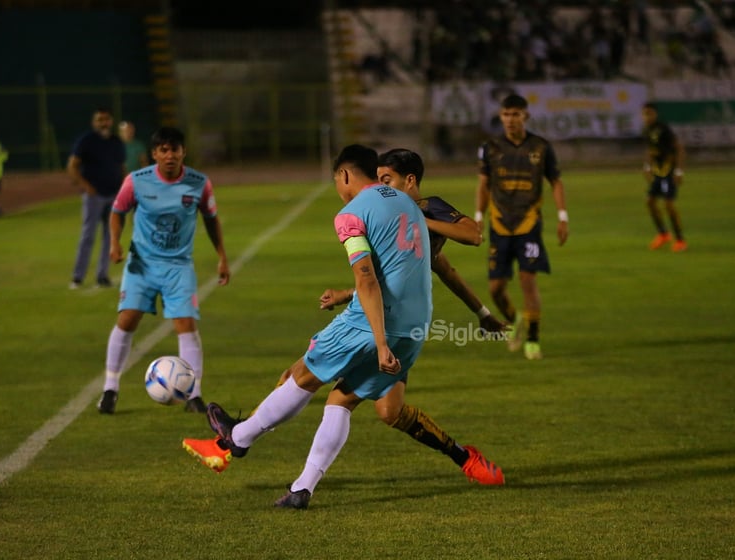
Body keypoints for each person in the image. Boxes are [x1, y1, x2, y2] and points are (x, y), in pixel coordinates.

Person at [183, 144, 503, 510]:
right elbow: (422, 269)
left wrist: (380, 341)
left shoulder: (350, 215)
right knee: (342, 399)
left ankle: (237, 439)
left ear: (345, 176)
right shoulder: (413, 208)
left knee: (303, 373)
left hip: (371, 321)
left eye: (337, 180)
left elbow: (367, 277)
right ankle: (302, 488)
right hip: (416, 326)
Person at [298, 148, 507, 486]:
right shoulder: (386, 211)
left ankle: (241, 438)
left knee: (353, 397)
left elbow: (470, 238)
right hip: (382, 318)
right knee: (380, 409)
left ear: (409, 181)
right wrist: (345, 294)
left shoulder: (424, 210)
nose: (380, 187)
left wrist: (482, 313)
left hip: (402, 326)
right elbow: (383, 281)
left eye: (386, 180)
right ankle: (245, 441)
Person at [97, 126, 230, 415]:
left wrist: (222, 256)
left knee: (186, 324)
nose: (170, 155)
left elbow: (211, 219)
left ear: (184, 152)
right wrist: (115, 244)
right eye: (164, 150)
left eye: (175, 149)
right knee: (127, 319)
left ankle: (194, 395)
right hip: (141, 264)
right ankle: (110, 389)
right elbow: (117, 212)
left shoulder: (199, 183)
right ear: (155, 154)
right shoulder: (136, 181)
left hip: (178, 266)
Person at [475, 93, 569, 361]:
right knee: (495, 289)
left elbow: (557, 182)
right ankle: (516, 320)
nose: (510, 119)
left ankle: (533, 339)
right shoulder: (490, 147)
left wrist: (563, 216)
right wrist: (478, 216)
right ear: (501, 116)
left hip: (528, 224)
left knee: (528, 281)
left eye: (516, 114)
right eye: (506, 114)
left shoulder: (541, 147)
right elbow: (483, 184)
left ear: (525, 116)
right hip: (499, 224)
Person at [66, 107, 126, 289]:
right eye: (99, 120)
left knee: (110, 237)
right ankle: (77, 277)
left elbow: (121, 167)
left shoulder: (116, 142)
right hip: (94, 196)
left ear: (111, 121)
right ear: (94, 122)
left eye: (106, 119)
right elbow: (72, 166)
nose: (103, 123)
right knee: (88, 235)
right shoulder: (86, 141)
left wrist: (124, 189)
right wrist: (86, 187)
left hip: (113, 194)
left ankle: (102, 275)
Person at [641, 102, 687, 252]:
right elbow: (650, 150)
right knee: (650, 202)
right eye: (645, 114)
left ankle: (680, 240)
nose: (647, 117)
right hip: (657, 172)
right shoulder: (647, 130)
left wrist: (679, 171)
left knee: (668, 205)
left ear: (655, 114)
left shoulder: (664, 129)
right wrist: (647, 166)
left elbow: (679, 148)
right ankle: (663, 234)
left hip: (668, 172)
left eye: (650, 113)